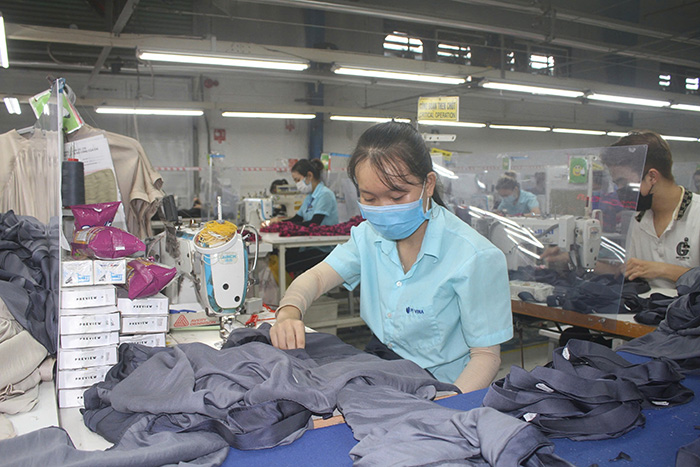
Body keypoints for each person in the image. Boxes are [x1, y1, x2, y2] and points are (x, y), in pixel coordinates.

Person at [270, 122, 513, 393]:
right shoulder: (368, 236)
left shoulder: (475, 257)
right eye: (370, 199)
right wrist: (289, 312)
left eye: (397, 197)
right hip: (382, 366)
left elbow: (486, 357)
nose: (384, 209)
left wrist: (446, 403)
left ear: (428, 185)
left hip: (443, 384)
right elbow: (316, 277)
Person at [602, 130, 700, 289]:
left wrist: (662, 270)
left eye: (623, 182)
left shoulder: (697, 214)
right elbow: (634, 272)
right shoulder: (639, 219)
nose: (619, 190)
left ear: (652, 177)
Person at [269, 158, 339, 273]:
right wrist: (279, 223)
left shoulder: (325, 195)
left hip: (324, 248)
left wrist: (286, 227)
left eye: (298, 180)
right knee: (282, 255)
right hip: (310, 244)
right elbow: (298, 218)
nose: (297, 184)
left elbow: (314, 223)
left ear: (309, 176)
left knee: (288, 264)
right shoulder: (310, 197)